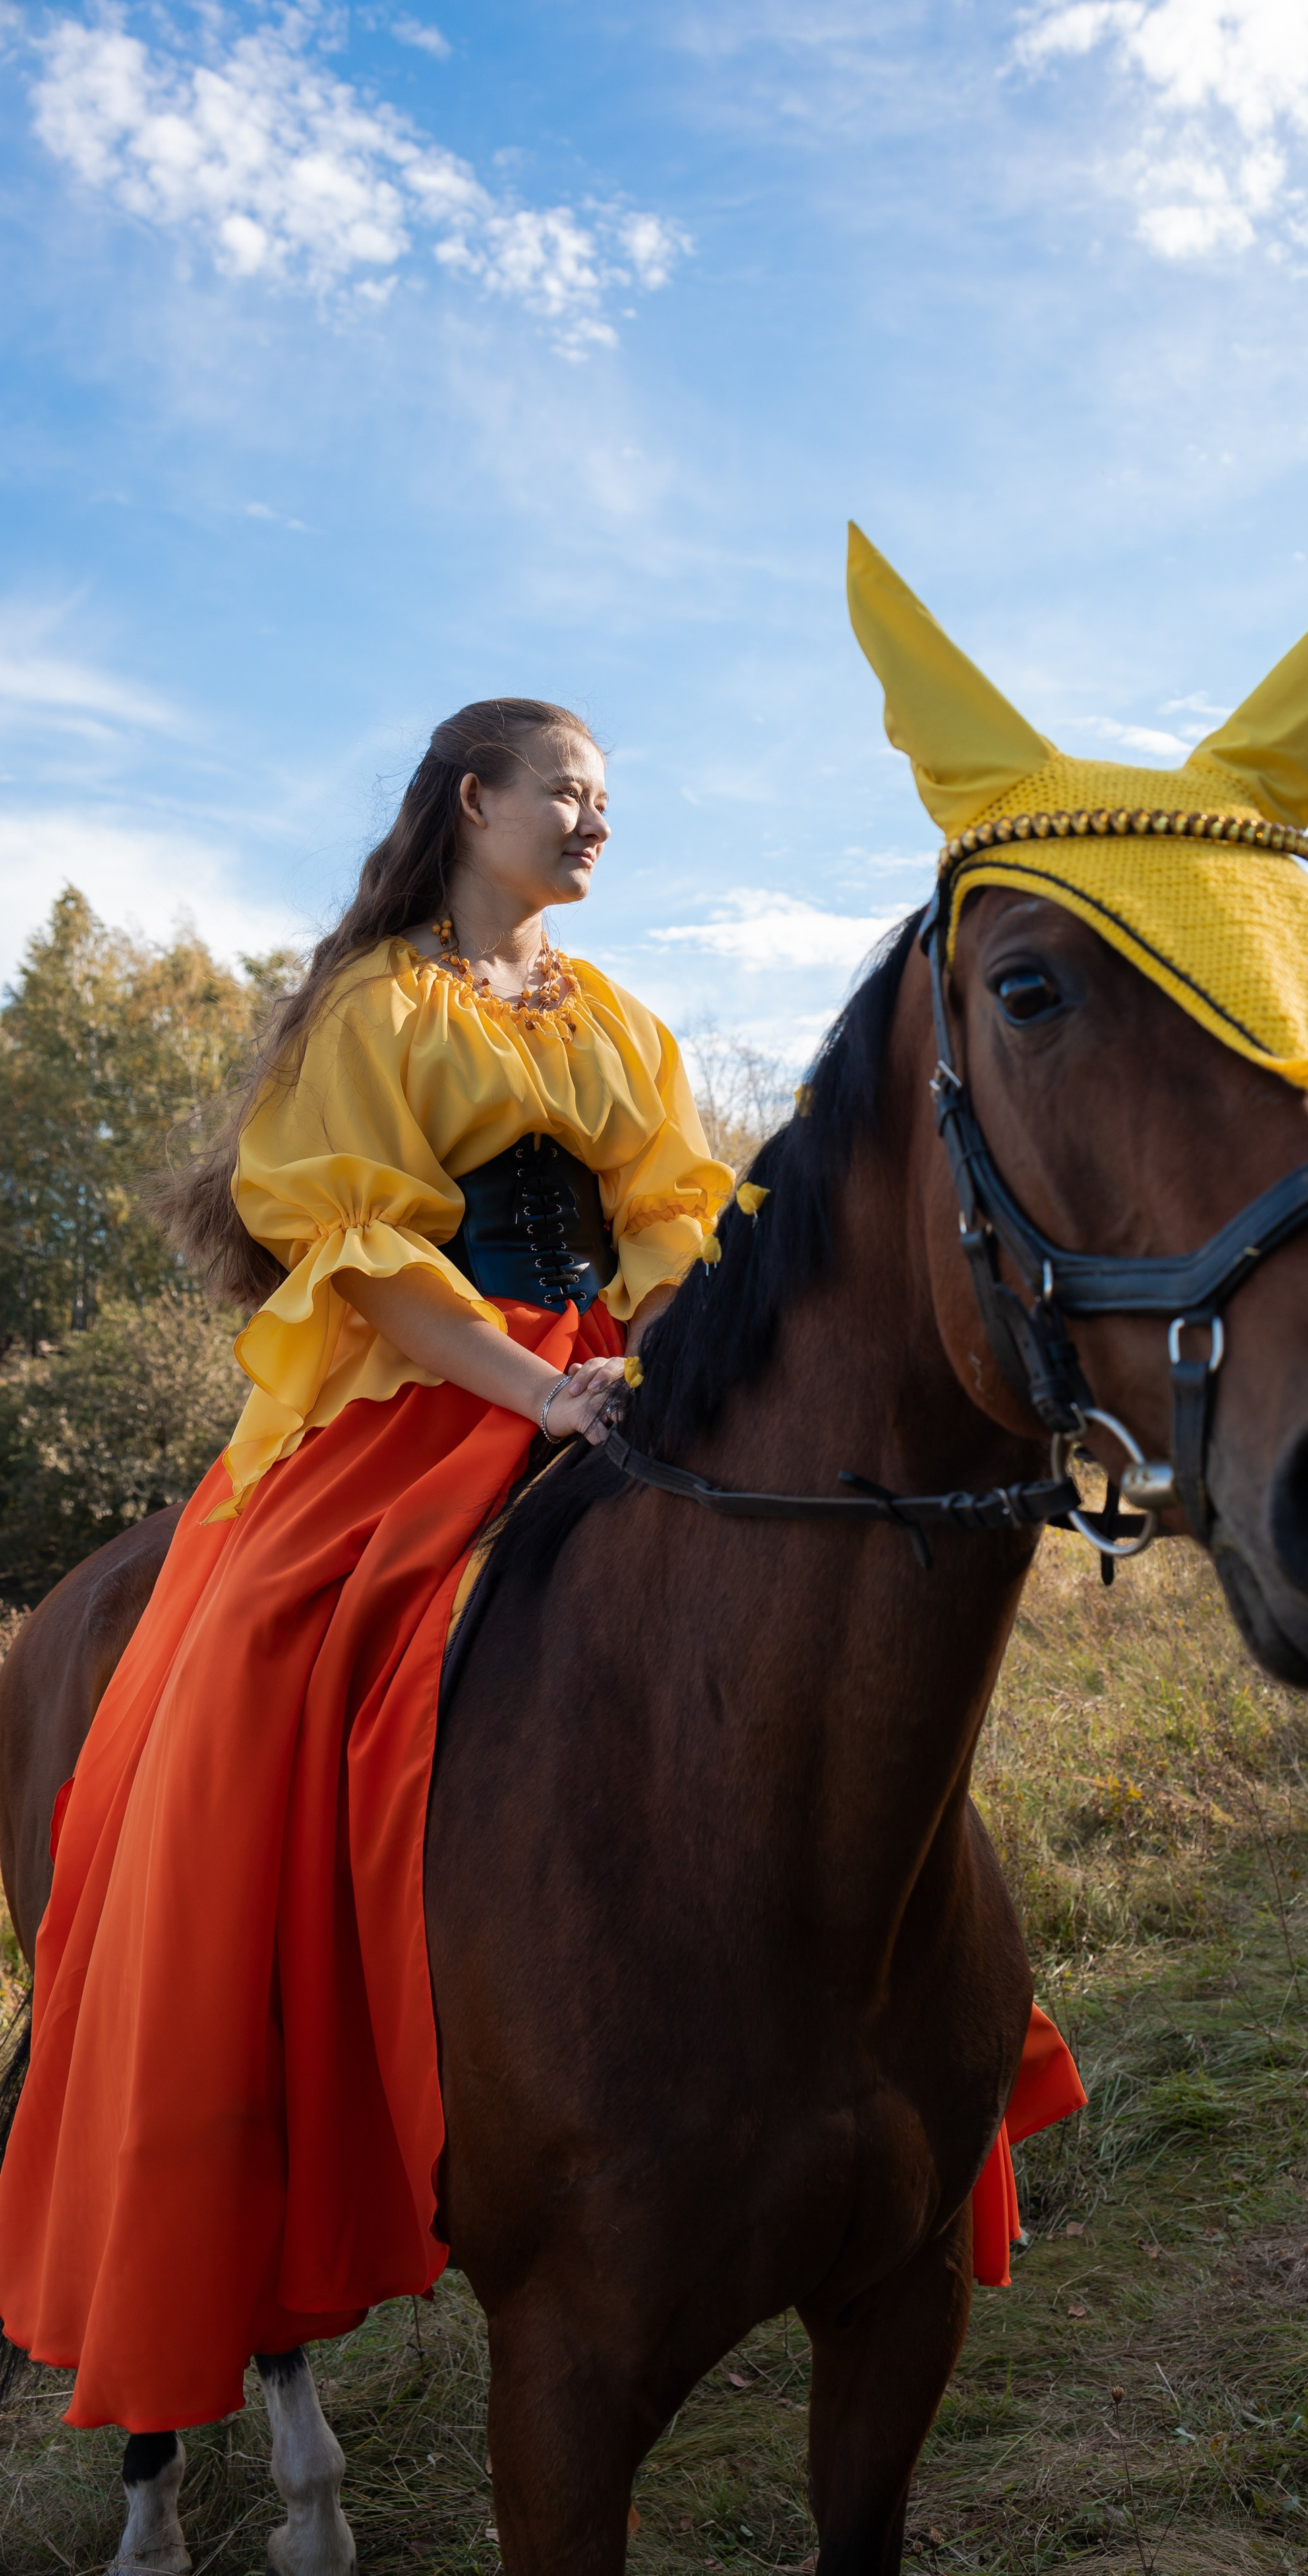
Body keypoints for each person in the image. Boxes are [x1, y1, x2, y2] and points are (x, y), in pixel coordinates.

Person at [0, 698, 732, 2432]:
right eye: (568, 791)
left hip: (617, 1369)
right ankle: (227, 2044)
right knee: (261, 1645)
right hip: (435, 1385)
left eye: (607, 798)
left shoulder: (622, 1021)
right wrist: (534, 1389)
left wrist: (659, 1359)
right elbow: (370, 1258)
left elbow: (673, 1214)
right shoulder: (375, 1008)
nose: (597, 821)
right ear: (475, 802)